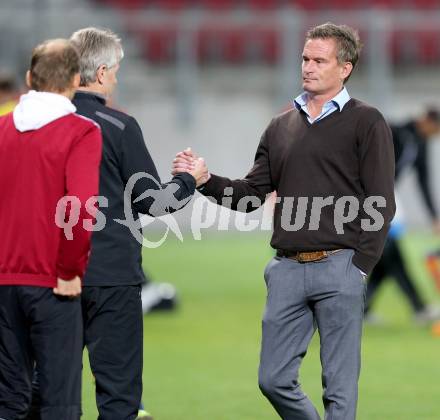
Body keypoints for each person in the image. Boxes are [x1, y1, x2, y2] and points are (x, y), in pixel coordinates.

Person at [173, 22, 395, 419]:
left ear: (345, 68)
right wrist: (205, 181)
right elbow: (249, 196)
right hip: (286, 270)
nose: (308, 67)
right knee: (272, 379)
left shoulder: (367, 122)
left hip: (341, 267)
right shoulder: (280, 126)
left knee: (340, 392)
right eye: (305, 59)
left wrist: (359, 268)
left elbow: (381, 202)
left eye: (319, 60)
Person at [26, 27, 208, 420]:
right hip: (112, 277)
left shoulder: (38, 127)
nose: (118, 78)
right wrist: (190, 179)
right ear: (104, 72)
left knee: (47, 389)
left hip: (50, 275)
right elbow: (154, 202)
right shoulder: (120, 126)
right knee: (118, 394)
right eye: (118, 70)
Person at [0, 39, 102, 420]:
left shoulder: (2, 129)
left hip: (4, 280)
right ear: (77, 79)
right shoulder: (81, 132)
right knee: (59, 401)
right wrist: (70, 270)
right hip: (52, 283)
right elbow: (78, 209)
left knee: (9, 401)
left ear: (29, 78)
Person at [365, 108, 440, 323]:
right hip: (368, 196)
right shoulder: (395, 131)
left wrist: (434, 216)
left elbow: (423, 181)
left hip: (386, 196)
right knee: (388, 248)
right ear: (427, 121)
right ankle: (419, 307)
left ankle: (364, 307)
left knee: (387, 251)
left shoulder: (421, 144)